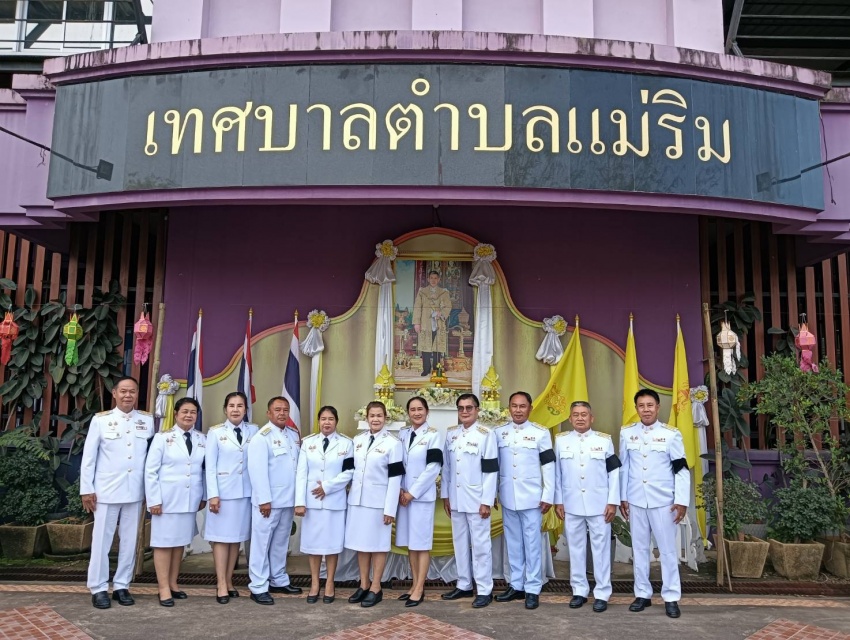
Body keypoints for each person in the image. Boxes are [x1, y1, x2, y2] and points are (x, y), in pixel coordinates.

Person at [80, 376, 154, 610]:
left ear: (137, 394)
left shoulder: (147, 421)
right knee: (102, 541)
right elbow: (89, 457)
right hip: (106, 491)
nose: (127, 395)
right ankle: (98, 587)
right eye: (123, 391)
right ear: (114, 393)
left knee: (130, 541)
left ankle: (122, 585)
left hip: (135, 490)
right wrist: (86, 489)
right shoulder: (101, 420)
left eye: (132, 391)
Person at [619, 389, 690, 619]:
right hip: (636, 500)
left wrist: (681, 500)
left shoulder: (671, 435)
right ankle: (642, 594)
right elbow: (624, 467)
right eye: (641, 406)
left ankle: (671, 597)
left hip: (663, 502)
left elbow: (680, 469)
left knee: (668, 551)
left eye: (650, 405)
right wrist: (622, 497)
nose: (646, 409)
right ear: (636, 408)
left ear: (658, 408)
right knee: (639, 549)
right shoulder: (626, 433)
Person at [554, 401, 620, 613]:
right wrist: (558, 500)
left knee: (601, 550)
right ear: (570, 419)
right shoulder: (561, 441)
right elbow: (557, 474)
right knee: (575, 549)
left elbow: (614, 473)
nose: (580, 418)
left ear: (592, 418)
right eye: (576, 415)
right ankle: (579, 590)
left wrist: (612, 501)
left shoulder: (604, 440)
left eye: (584, 414)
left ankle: (602, 593)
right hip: (571, 503)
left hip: (599, 504)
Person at [493, 391, 555, 610]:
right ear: (509, 408)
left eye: (522, 406)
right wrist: (493, 493)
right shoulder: (499, 432)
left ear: (530, 408)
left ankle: (533, 588)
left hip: (532, 498)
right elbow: (494, 466)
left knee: (532, 544)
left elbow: (549, 465)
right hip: (508, 496)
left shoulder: (540, 433)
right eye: (514, 406)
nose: (518, 410)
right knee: (513, 543)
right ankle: (516, 585)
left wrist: (548, 494)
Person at [144, 397, 207, 607]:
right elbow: (150, 471)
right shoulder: (162, 438)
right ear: (176, 414)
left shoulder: (202, 439)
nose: (189, 415)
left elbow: (205, 470)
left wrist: (204, 496)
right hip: (166, 501)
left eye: (193, 412)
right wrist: (154, 500)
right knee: (163, 543)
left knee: (179, 542)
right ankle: (163, 587)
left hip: (189, 500)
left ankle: (173, 583)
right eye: (185, 411)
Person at [441, 393, 498, 609]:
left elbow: (491, 470)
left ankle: (484, 589)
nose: (464, 411)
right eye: (461, 408)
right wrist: (446, 496)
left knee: (481, 545)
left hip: (476, 500)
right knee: (460, 544)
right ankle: (464, 584)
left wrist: (486, 501)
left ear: (477, 410)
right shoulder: (451, 434)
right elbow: (447, 468)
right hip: (456, 499)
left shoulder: (486, 434)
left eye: (469, 408)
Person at [345, 401, 404, 608]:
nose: (376, 419)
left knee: (378, 546)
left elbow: (395, 479)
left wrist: (390, 509)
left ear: (385, 418)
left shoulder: (393, 443)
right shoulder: (357, 440)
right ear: (366, 418)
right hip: (358, 501)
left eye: (379, 415)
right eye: (372, 415)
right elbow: (349, 471)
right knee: (361, 544)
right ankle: (364, 584)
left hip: (379, 504)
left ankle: (376, 587)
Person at [246, 397, 304, 605]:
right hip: (268, 503)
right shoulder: (262, 437)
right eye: (277, 410)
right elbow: (257, 471)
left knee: (280, 543)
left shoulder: (292, 434)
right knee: (261, 545)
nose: (282, 413)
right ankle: (258, 586)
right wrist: (264, 500)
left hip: (287, 500)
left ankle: (278, 579)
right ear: (268, 413)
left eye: (285, 410)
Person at [295, 406, 354, 604]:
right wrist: (299, 502)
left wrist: (327, 487)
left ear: (336, 421)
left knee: (331, 545)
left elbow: (349, 472)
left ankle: (329, 583)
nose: (326, 422)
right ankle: (314, 583)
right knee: (313, 546)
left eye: (330, 419)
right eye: (323, 419)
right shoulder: (308, 443)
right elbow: (301, 473)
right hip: (312, 503)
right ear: (318, 421)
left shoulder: (346, 443)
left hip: (334, 502)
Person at [205, 391, 258, 604]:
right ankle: (220, 583)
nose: (235, 410)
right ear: (225, 409)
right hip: (223, 494)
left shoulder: (254, 430)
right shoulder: (215, 432)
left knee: (236, 538)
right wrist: (213, 495)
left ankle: (229, 580)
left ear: (246, 409)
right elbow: (210, 467)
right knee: (221, 539)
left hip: (245, 493)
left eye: (240, 406)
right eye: (232, 406)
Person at [396, 396, 445, 607]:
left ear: (427, 412)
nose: (416, 413)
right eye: (412, 409)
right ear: (408, 412)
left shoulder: (433, 435)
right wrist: (400, 489)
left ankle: (420, 588)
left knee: (422, 544)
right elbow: (398, 464)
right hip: (403, 496)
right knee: (411, 543)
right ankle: (414, 584)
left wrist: (412, 493)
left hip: (421, 498)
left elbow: (433, 468)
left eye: (420, 409)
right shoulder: (402, 434)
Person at [412, 270, 452, 377]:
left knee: (437, 348)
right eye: (431, 278)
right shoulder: (422, 292)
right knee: (425, 347)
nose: (433, 280)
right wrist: (416, 323)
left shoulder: (444, 292)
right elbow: (417, 307)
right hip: (425, 323)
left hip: (438, 324)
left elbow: (448, 306)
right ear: (428, 279)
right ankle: (426, 369)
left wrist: (441, 313)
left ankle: (436, 369)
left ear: (438, 279)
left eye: (435, 278)